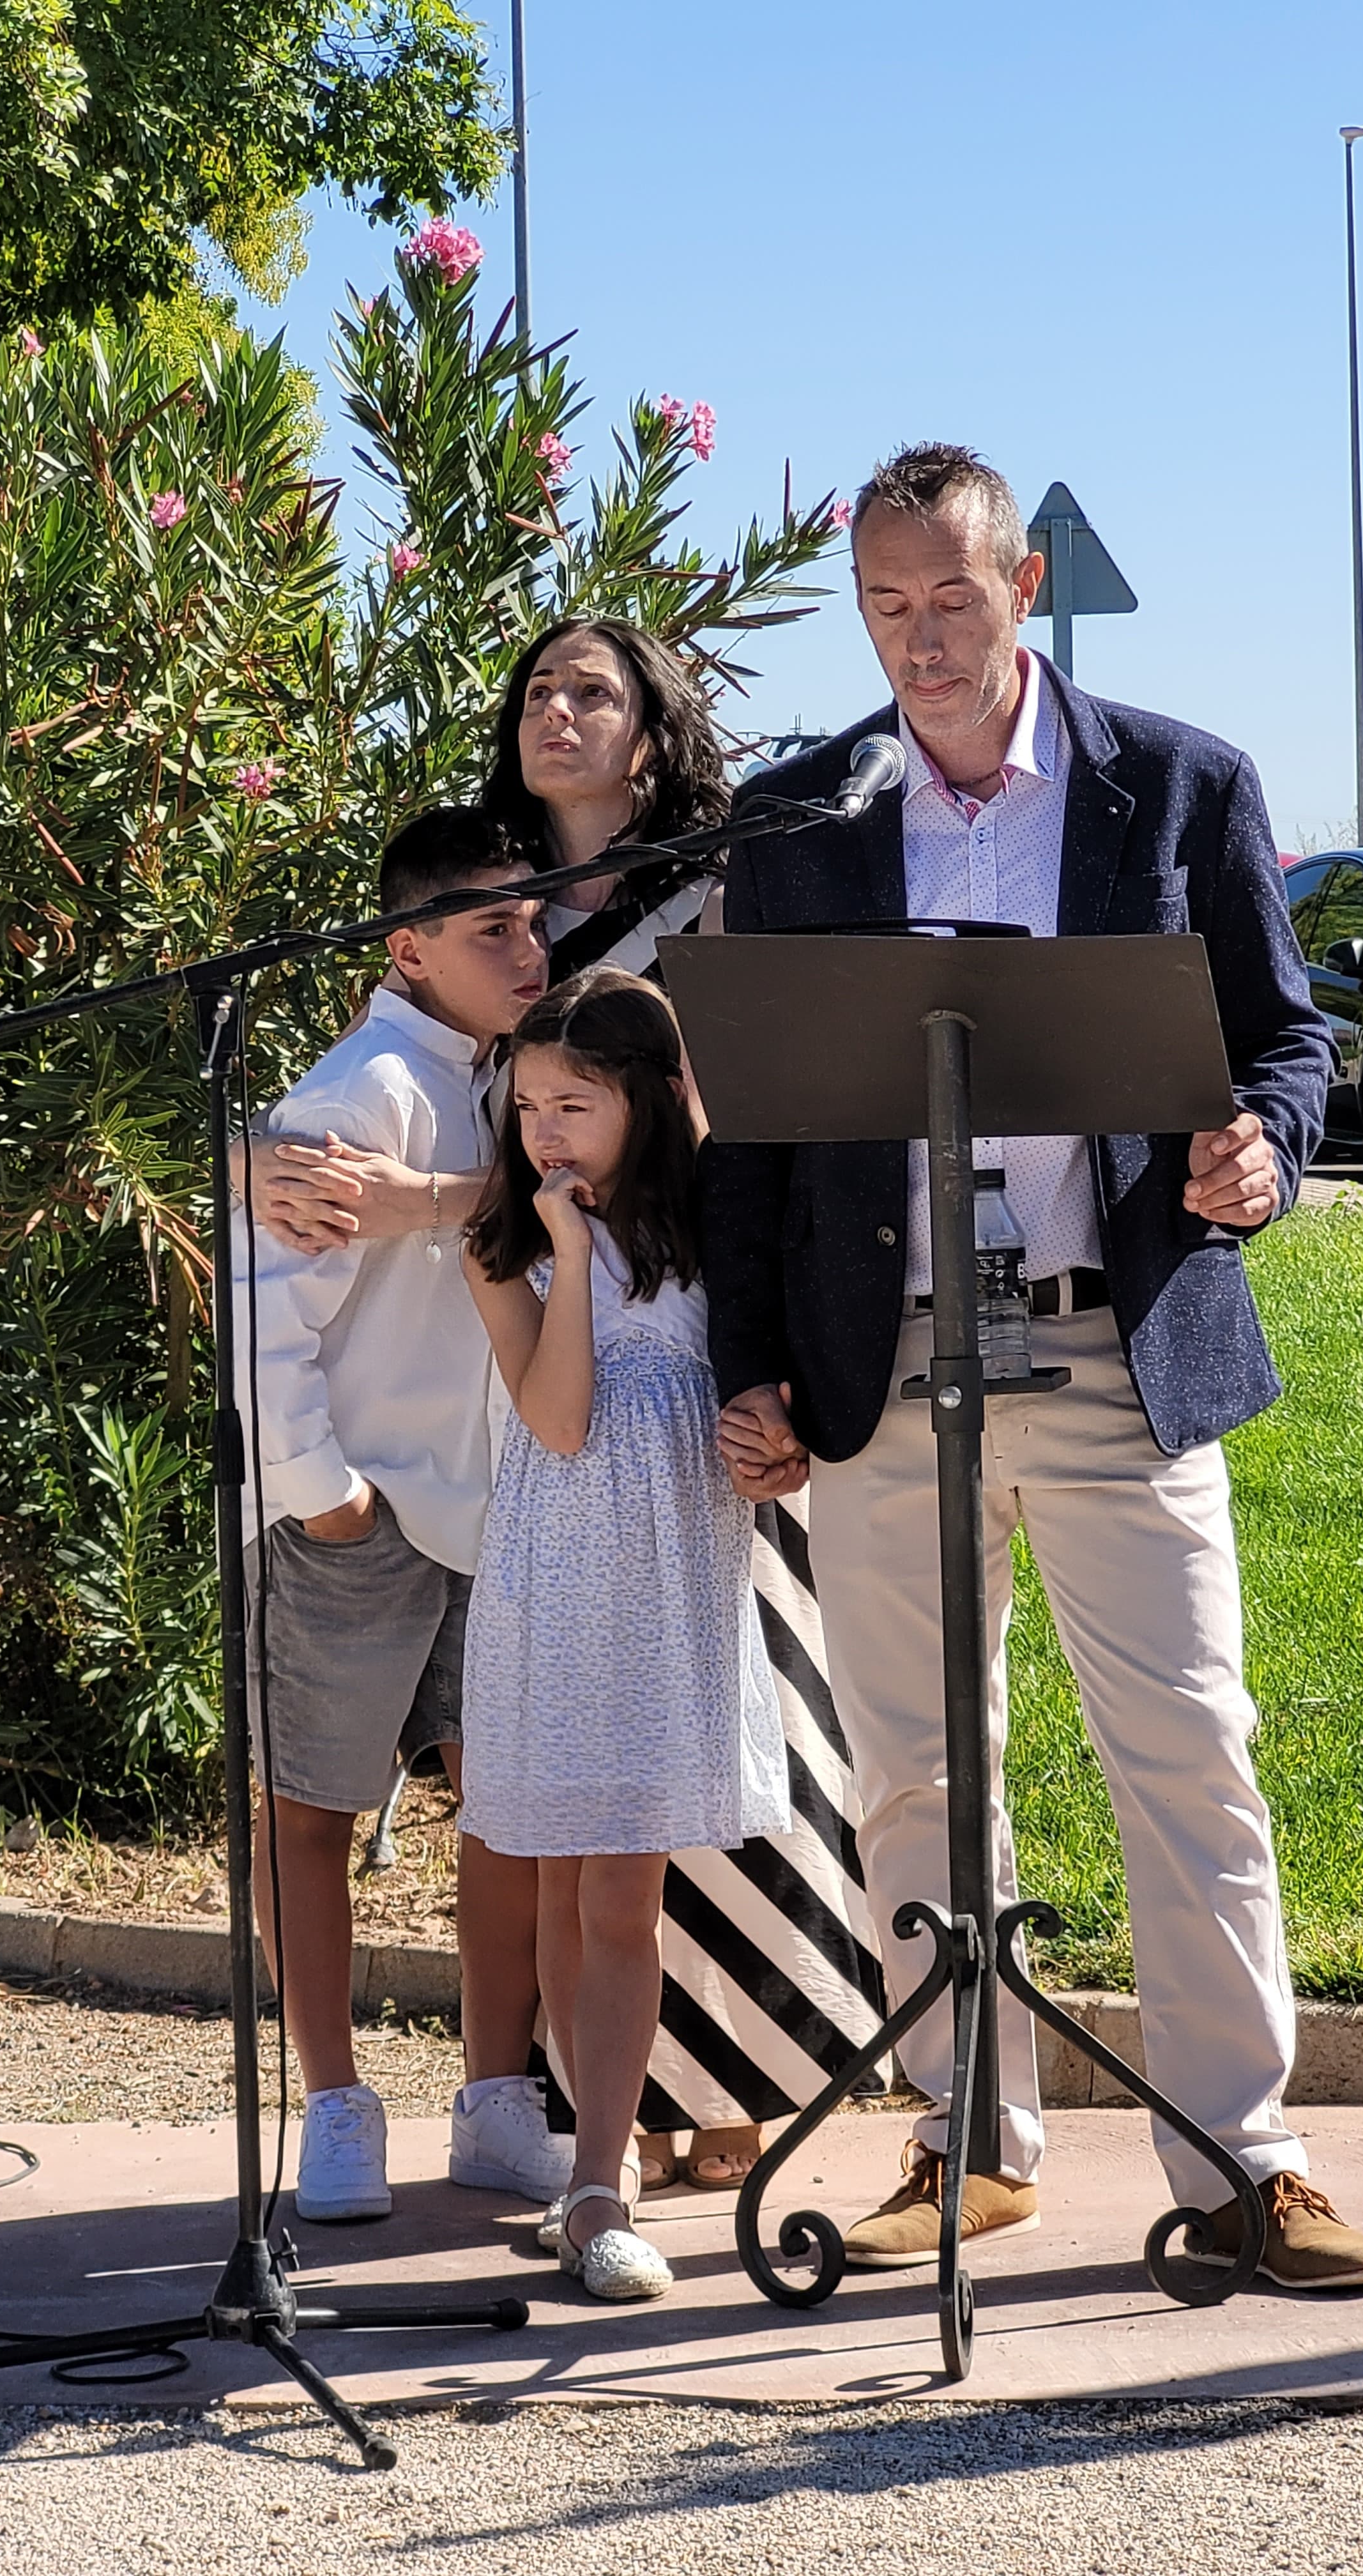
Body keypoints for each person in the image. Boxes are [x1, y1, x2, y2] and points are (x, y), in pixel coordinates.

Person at [705, 442, 1363, 2292]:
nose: (918, 641)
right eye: (883, 606)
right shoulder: (801, 825)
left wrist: (1264, 1148)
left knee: (1191, 1758)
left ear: (1022, 592)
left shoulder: (1179, 786)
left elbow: (1287, 1045)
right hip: (882, 1365)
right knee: (921, 1780)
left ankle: (1248, 2158)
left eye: (949, 596)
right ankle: (968, 2139)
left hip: (1115, 1347)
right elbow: (754, 1142)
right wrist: (756, 1372)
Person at [235, 617, 885, 2196]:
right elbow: (366, 1156)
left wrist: (425, 1208)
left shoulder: (719, 895)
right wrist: (259, 1160)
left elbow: (720, 1158)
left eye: (596, 690)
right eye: (537, 687)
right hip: (510, 1443)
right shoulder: (481, 909)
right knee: (537, 1799)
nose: (559, 711)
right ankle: (547, 2110)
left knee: (681, 1791)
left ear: (657, 733)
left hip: (673, 1408)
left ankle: (725, 2091)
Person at [233, 807, 569, 2223]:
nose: (526, 944)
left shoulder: (508, 1080)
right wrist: (327, 1500)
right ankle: (332, 2107)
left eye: (533, 918)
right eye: (491, 926)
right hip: (357, 1523)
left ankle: (496, 2100)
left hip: (489, 1516)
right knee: (308, 1809)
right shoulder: (366, 1087)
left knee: (503, 1807)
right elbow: (263, 1320)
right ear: (408, 948)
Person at [460, 967, 789, 2298]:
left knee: (622, 1890)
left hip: (670, 1586)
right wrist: (577, 1256)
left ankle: (602, 2179)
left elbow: (770, 1396)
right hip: (554, 1586)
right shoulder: (507, 1245)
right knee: (559, 1870)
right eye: (529, 1103)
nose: (545, 1129)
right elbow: (557, 1417)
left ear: (649, 1100)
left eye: (575, 1104)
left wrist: (783, 1438)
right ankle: (592, 2168)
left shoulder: (724, 1231)